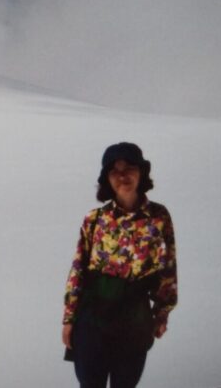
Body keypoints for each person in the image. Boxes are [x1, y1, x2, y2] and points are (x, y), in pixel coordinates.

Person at [62, 142, 177, 388]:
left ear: (141, 172)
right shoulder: (95, 219)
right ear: (107, 179)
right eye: (114, 170)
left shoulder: (159, 217)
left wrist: (162, 313)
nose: (122, 175)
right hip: (92, 320)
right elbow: (78, 269)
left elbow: (167, 268)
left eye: (129, 167)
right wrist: (69, 319)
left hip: (134, 321)